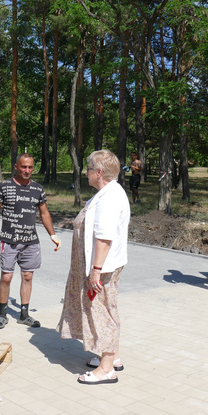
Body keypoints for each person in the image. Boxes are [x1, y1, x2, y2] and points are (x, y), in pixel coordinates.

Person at [57, 150, 130, 385]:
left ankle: (106, 369)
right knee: (107, 309)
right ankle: (113, 356)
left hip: (102, 267)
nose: (85, 172)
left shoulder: (109, 198)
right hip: (100, 265)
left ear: (99, 173)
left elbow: (104, 237)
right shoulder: (107, 193)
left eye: (88, 169)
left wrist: (95, 270)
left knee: (102, 312)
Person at [0, 153, 61, 329]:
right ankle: (2, 314)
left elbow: (44, 212)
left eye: (30, 167)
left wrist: (53, 234)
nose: (27, 170)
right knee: (6, 276)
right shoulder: (4, 186)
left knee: (27, 276)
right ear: (16, 167)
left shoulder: (37, 189)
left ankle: (24, 314)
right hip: (9, 240)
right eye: (23, 167)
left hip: (30, 241)